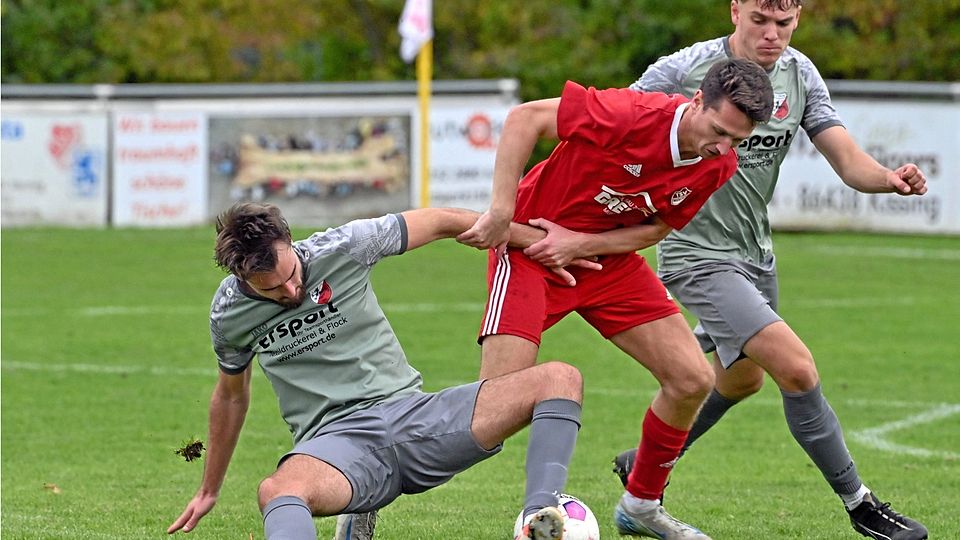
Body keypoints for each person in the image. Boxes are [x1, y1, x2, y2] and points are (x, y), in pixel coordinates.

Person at [520, 2, 928, 539]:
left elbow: (848, 162)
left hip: (756, 255)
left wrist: (889, 179)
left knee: (740, 381)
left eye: (783, 23)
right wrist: (588, 212)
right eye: (759, 19)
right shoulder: (684, 70)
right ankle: (862, 505)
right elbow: (622, 129)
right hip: (694, 254)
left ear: (798, 17)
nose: (771, 35)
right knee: (798, 371)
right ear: (735, 9)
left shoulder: (799, 74)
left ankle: (640, 473)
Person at [457, 58, 774, 540]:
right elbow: (526, 117)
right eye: (718, 130)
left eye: (737, 139)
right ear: (695, 103)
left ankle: (642, 504)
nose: (724, 147)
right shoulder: (631, 114)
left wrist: (582, 244)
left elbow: (659, 228)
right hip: (528, 249)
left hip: (603, 259)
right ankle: (378, 470)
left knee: (691, 379)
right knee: (490, 413)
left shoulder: (719, 163)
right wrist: (502, 211)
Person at [166, 202, 586, 540]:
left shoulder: (344, 246)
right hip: (337, 447)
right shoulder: (228, 315)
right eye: (271, 289)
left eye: (291, 275)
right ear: (241, 276)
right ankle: (359, 507)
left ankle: (537, 520)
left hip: (418, 418)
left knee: (559, 378)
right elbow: (231, 395)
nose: (291, 292)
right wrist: (209, 488)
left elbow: (442, 221)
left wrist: (547, 244)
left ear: (290, 240)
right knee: (278, 489)